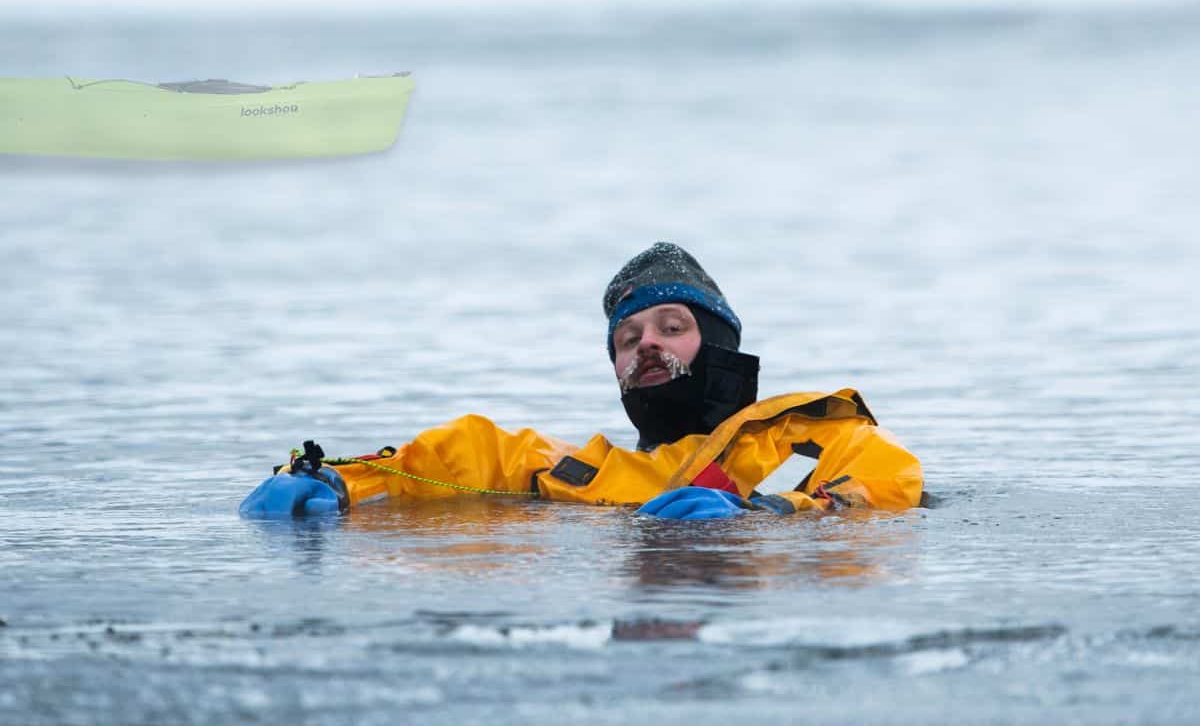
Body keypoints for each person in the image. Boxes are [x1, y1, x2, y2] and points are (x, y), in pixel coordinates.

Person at [240, 243, 923, 520]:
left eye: (670, 326)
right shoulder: (578, 472)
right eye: (628, 341)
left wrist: (767, 517)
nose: (647, 344)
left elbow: (887, 486)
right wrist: (327, 479)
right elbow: (453, 458)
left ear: (716, 344)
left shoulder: (810, 432)